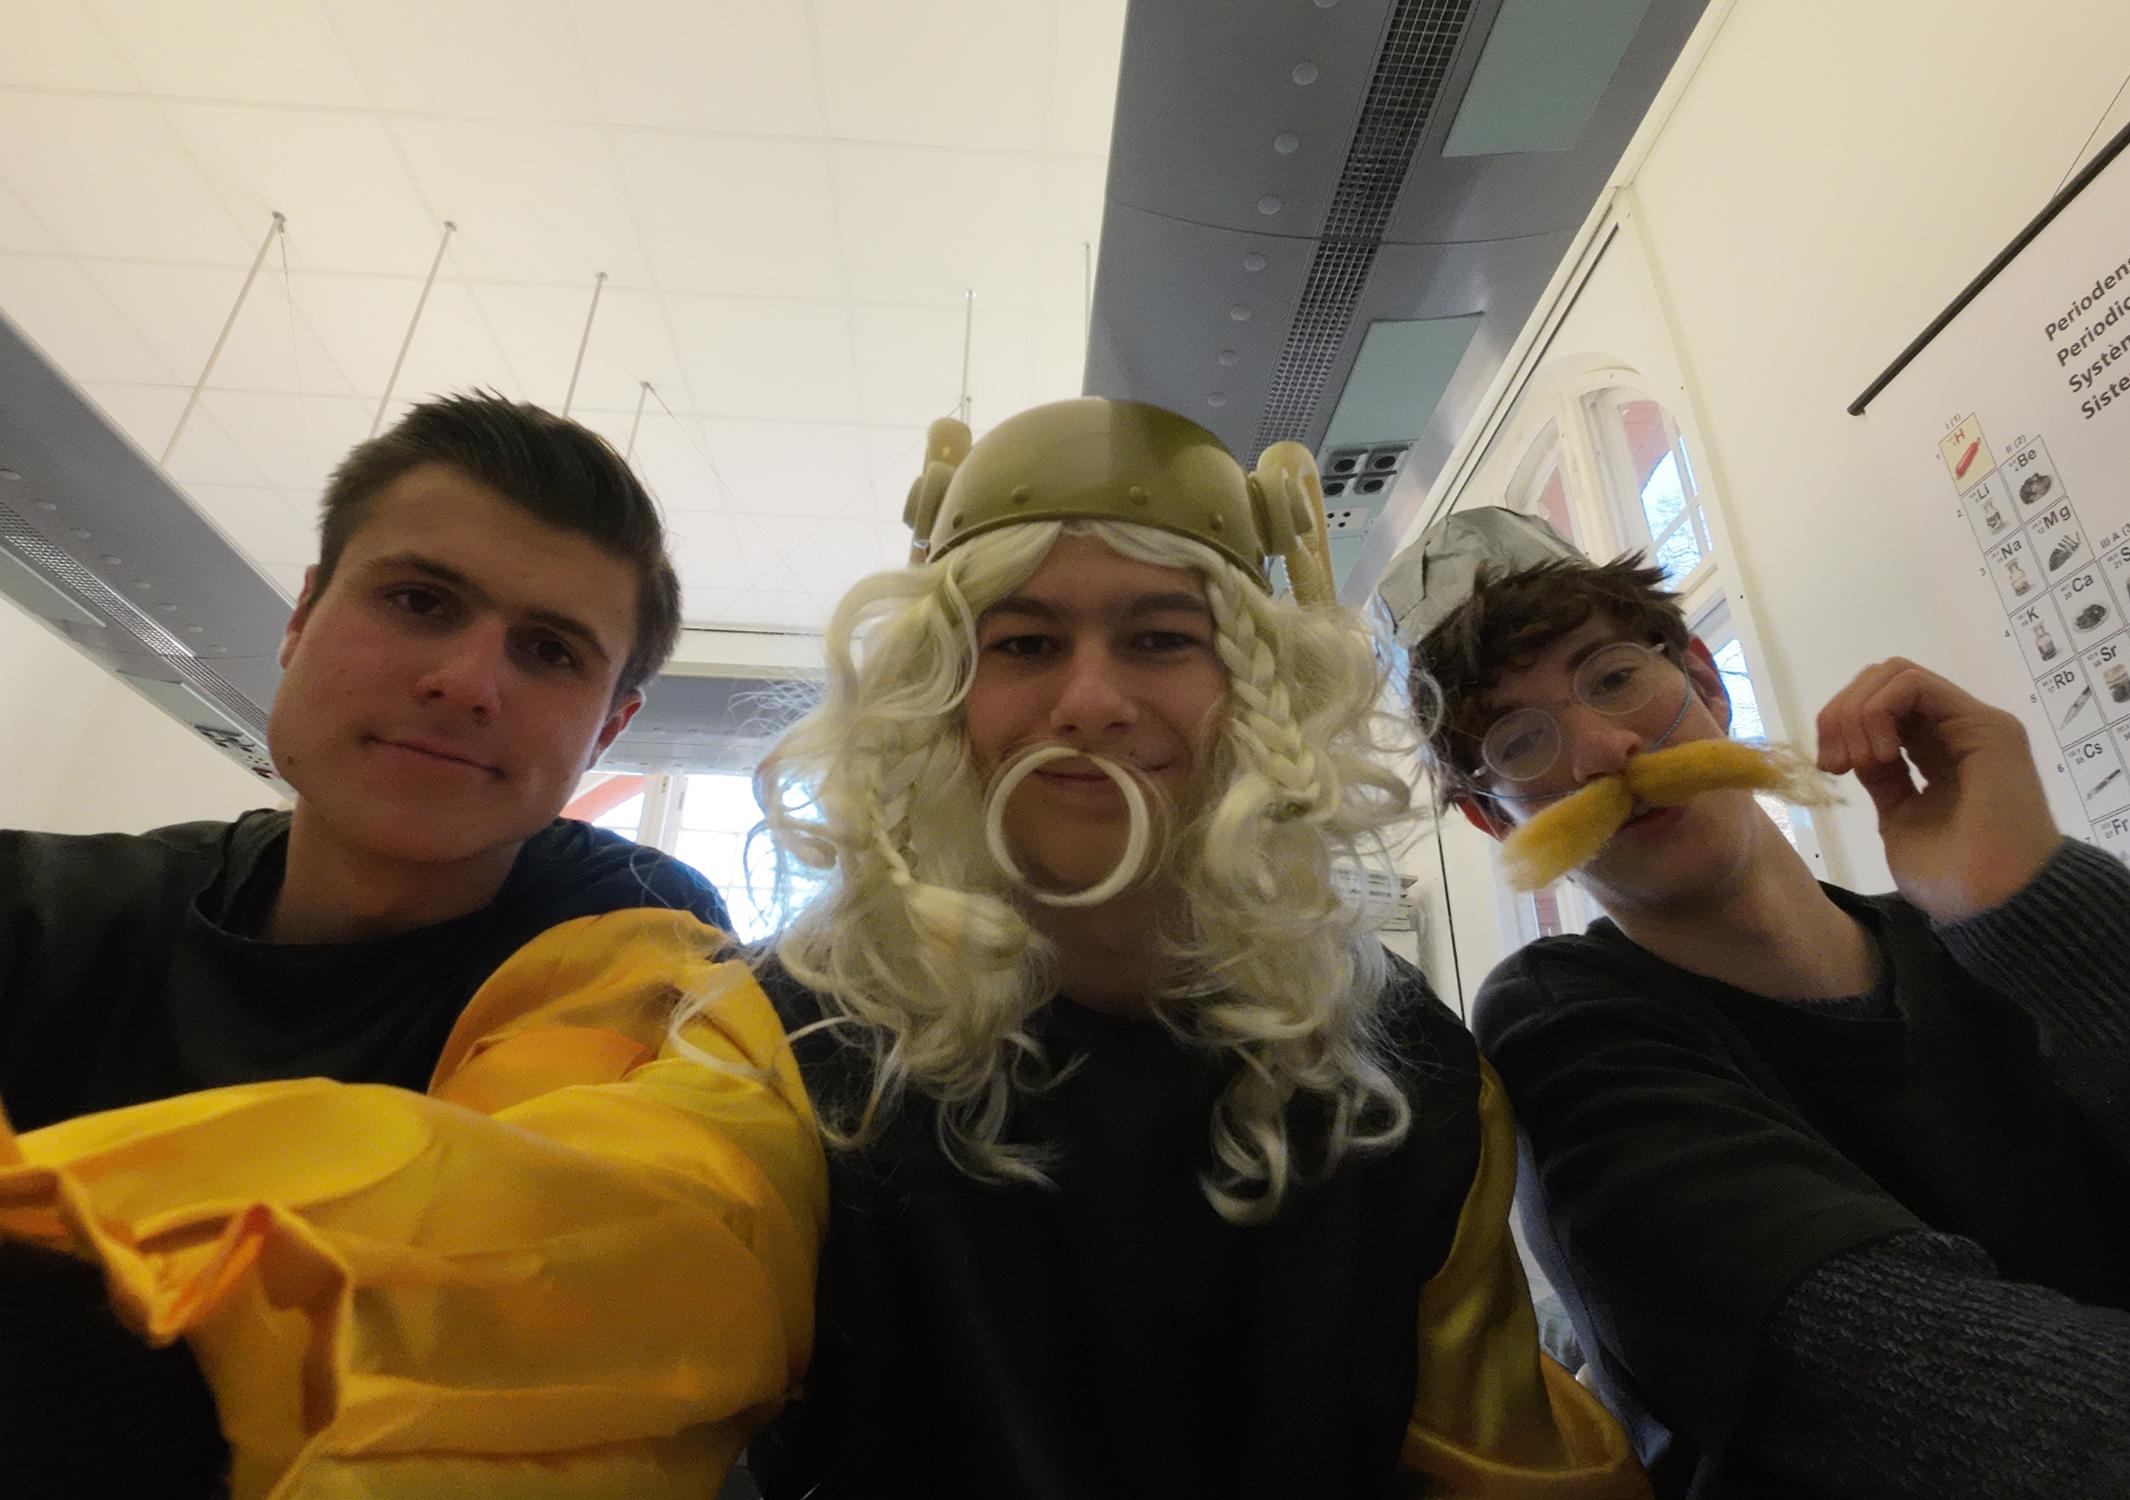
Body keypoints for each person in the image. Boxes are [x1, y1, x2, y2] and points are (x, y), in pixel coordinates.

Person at [1383, 506, 2130, 1499]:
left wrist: (2037, 906)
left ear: (1702, 680)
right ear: (1492, 818)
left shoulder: (1982, 952)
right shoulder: (1564, 1028)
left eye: (1614, 678)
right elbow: (1952, 1403)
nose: (1607, 751)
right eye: (1520, 741)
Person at [734, 398, 1648, 1498]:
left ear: (1259, 692)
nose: (1091, 702)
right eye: (1025, 643)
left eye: (1160, 638)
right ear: (941, 695)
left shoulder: (1406, 1070)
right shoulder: (785, 1039)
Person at [0, 390, 744, 1493]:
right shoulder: (44, 911)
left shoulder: (639, 958)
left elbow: (507, 1335)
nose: (467, 683)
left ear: (609, 731)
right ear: (301, 618)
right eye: (419, 600)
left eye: (548, 652)